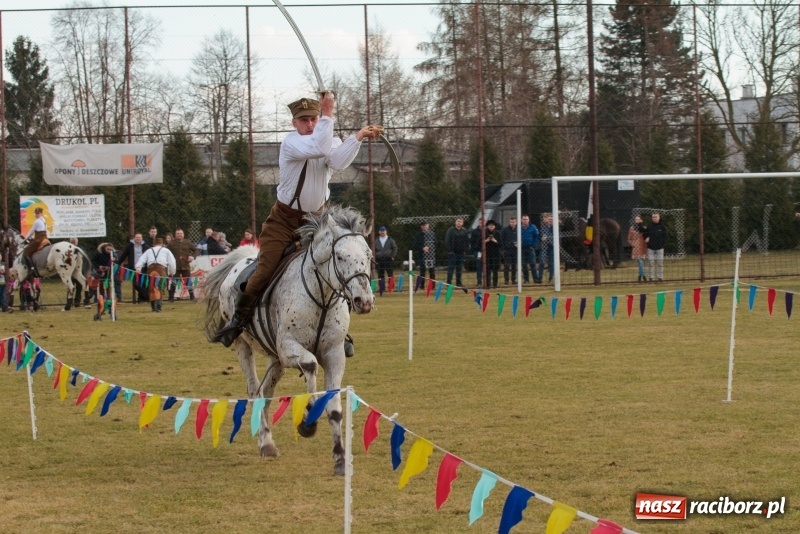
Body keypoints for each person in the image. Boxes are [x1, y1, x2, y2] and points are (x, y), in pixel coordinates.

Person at [213, 92, 381, 348]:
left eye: (314, 119)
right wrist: (328, 114)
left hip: (317, 222)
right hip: (284, 221)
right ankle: (238, 320)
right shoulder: (292, 143)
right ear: (294, 123)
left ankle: (337, 330)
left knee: (333, 267)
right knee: (265, 270)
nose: (311, 124)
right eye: (304, 120)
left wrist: (356, 137)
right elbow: (319, 148)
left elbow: (337, 159)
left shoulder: (325, 138)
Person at [135, 237, 176, 312]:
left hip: (150, 270)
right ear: (162, 244)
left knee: (151, 288)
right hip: (161, 270)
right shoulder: (166, 250)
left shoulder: (149, 250)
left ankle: (153, 307)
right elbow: (172, 262)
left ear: (154, 244)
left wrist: (138, 268)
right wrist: (171, 273)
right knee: (159, 288)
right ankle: (159, 307)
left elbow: (141, 259)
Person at [117, 233, 151, 302]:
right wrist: (118, 263)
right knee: (136, 284)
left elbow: (149, 256)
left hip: (143, 267)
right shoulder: (130, 246)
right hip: (133, 268)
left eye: (139, 237)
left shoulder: (146, 246)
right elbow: (124, 255)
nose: (138, 239)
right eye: (137, 237)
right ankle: (147, 296)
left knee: (143, 283)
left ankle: (141, 299)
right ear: (134, 238)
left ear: (142, 238)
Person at [167, 228, 198, 301]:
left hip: (185, 265)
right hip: (175, 266)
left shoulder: (188, 242)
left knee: (188, 281)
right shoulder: (171, 243)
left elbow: (196, 250)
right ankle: (171, 298)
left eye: (180, 233)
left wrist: (192, 257)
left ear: (183, 234)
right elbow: (166, 251)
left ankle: (192, 297)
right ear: (175, 235)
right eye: (177, 234)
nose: (179, 235)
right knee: (174, 282)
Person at [22, 207, 48, 275]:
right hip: (44, 237)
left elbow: (31, 231)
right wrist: (33, 237)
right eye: (36, 213)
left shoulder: (37, 221)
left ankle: (32, 268)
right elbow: (42, 231)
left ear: (41, 213)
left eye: (38, 213)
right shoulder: (44, 220)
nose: (36, 215)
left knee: (26, 252)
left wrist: (25, 238)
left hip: (38, 239)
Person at [444, 217, 470, 287]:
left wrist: (465, 250)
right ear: (455, 222)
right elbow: (447, 240)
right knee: (451, 269)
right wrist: (449, 250)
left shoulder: (464, 231)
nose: (459, 223)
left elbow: (467, 241)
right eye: (458, 221)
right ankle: (448, 283)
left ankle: (459, 283)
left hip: (461, 253)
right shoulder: (451, 230)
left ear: (463, 223)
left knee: (459, 269)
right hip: (452, 253)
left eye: (461, 221)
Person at [644, 212, 667, 282]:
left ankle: (660, 277)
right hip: (650, 248)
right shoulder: (649, 226)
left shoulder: (663, 227)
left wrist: (662, 244)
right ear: (652, 218)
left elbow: (665, 237)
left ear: (659, 217)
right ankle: (651, 277)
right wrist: (646, 238)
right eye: (653, 217)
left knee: (660, 263)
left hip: (660, 248)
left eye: (656, 217)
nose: (655, 218)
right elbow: (645, 235)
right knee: (651, 263)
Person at [519, 214, 541, 283]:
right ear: (521, 220)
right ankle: (526, 279)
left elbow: (536, 237)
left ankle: (536, 279)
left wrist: (533, 245)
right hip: (522, 249)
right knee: (524, 265)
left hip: (530, 248)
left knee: (532, 264)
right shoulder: (518, 228)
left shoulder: (533, 227)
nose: (525, 221)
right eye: (524, 219)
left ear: (528, 220)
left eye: (526, 219)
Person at [627, 214, 648, 283]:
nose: (637, 221)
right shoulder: (632, 228)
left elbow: (647, 237)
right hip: (636, 247)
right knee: (640, 262)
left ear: (641, 220)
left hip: (642, 247)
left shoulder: (644, 228)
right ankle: (643, 276)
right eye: (636, 219)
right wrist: (632, 244)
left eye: (638, 219)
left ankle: (639, 276)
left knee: (640, 263)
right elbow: (629, 239)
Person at [537, 213, 555, 283]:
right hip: (544, 247)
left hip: (552, 247)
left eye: (551, 219)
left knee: (551, 263)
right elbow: (538, 236)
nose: (550, 220)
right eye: (549, 219)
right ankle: (539, 278)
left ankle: (551, 278)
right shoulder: (542, 228)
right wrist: (541, 238)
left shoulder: (555, 228)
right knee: (541, 262)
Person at [483, 219, 503, 288]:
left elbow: (501, 244)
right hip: (487, 254)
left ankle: (495, 284)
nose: (491, 227)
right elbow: (479, 244)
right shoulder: (484, 233)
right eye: (490, 225)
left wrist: (495, 241)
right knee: (487, 270)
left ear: (495, 226)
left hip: (496, 254)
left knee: (495, 270)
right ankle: (487, 284)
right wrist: (486, 240)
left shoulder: (498, 233)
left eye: (492, 225)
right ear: (487, 226)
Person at [501, 217, 518, 285]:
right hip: (507, 250)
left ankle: (513, 279)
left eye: (514, 222)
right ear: (509, 222)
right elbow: (502, 239)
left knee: (514, 265)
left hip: (515, 250)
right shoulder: (505, 230)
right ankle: (506, 280)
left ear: (516, 222)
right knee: (507, 266)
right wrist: (503, 249)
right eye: (511, 222)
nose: (512, 223)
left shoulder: (518, 229)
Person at [469, 218, 484, 287]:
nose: (481, 223)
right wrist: (474, 251)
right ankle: (479, 281)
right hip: (478, 251)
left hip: (487, 251)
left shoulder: (487, 231)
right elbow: (472, 242)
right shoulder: (474, 232)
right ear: (478, 222)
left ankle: (487, 281)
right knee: (479, 266)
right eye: (480, 222)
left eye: (483, 222)